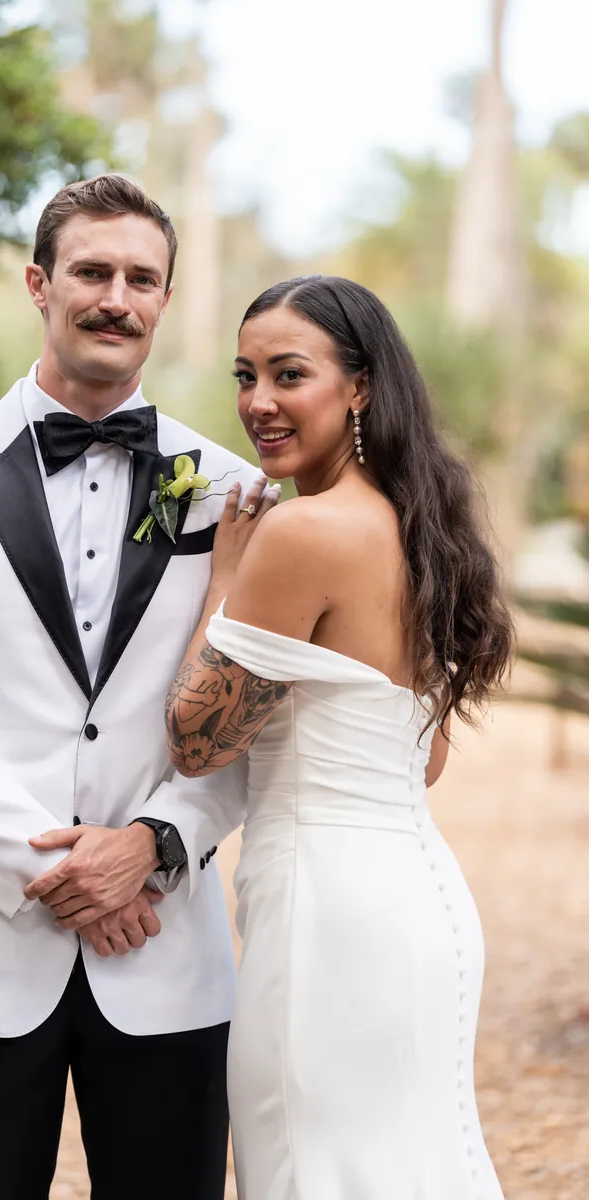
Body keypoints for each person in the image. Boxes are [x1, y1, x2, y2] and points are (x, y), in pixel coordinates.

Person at [0, 174, 277, 1200]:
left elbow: (257, 715)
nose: (114, 298)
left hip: (165, 950)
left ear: (165, 301)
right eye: (91, 271)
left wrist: (153, 847)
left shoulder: (234, 494)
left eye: (141, 278)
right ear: (39, 283)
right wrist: (64, 876)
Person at [166, 275, 514, 1199]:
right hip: (420, 900)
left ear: (359, 386)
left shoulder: (302, 534)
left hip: (326, 913)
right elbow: (424, 759)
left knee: (309, 1171)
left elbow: (197, 742)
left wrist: (221, 586)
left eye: (290, 373)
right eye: (245, 376)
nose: (258, 402)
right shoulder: (421, 530)